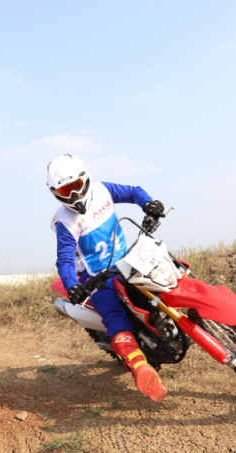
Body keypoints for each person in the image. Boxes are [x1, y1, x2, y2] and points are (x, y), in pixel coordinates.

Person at [47, 153, 168, 402]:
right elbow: (65, 259)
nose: (73, 196)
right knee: (114, 314)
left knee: (167, 271)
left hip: (129, 259)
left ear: (86, 179)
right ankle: (139, 367)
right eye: (64, 191)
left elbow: (133, 192)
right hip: (97, 278)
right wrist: (73, 287)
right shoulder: (65, 222)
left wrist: (148, 203)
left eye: (76, 187)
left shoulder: (102, 191)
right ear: (54, 192)